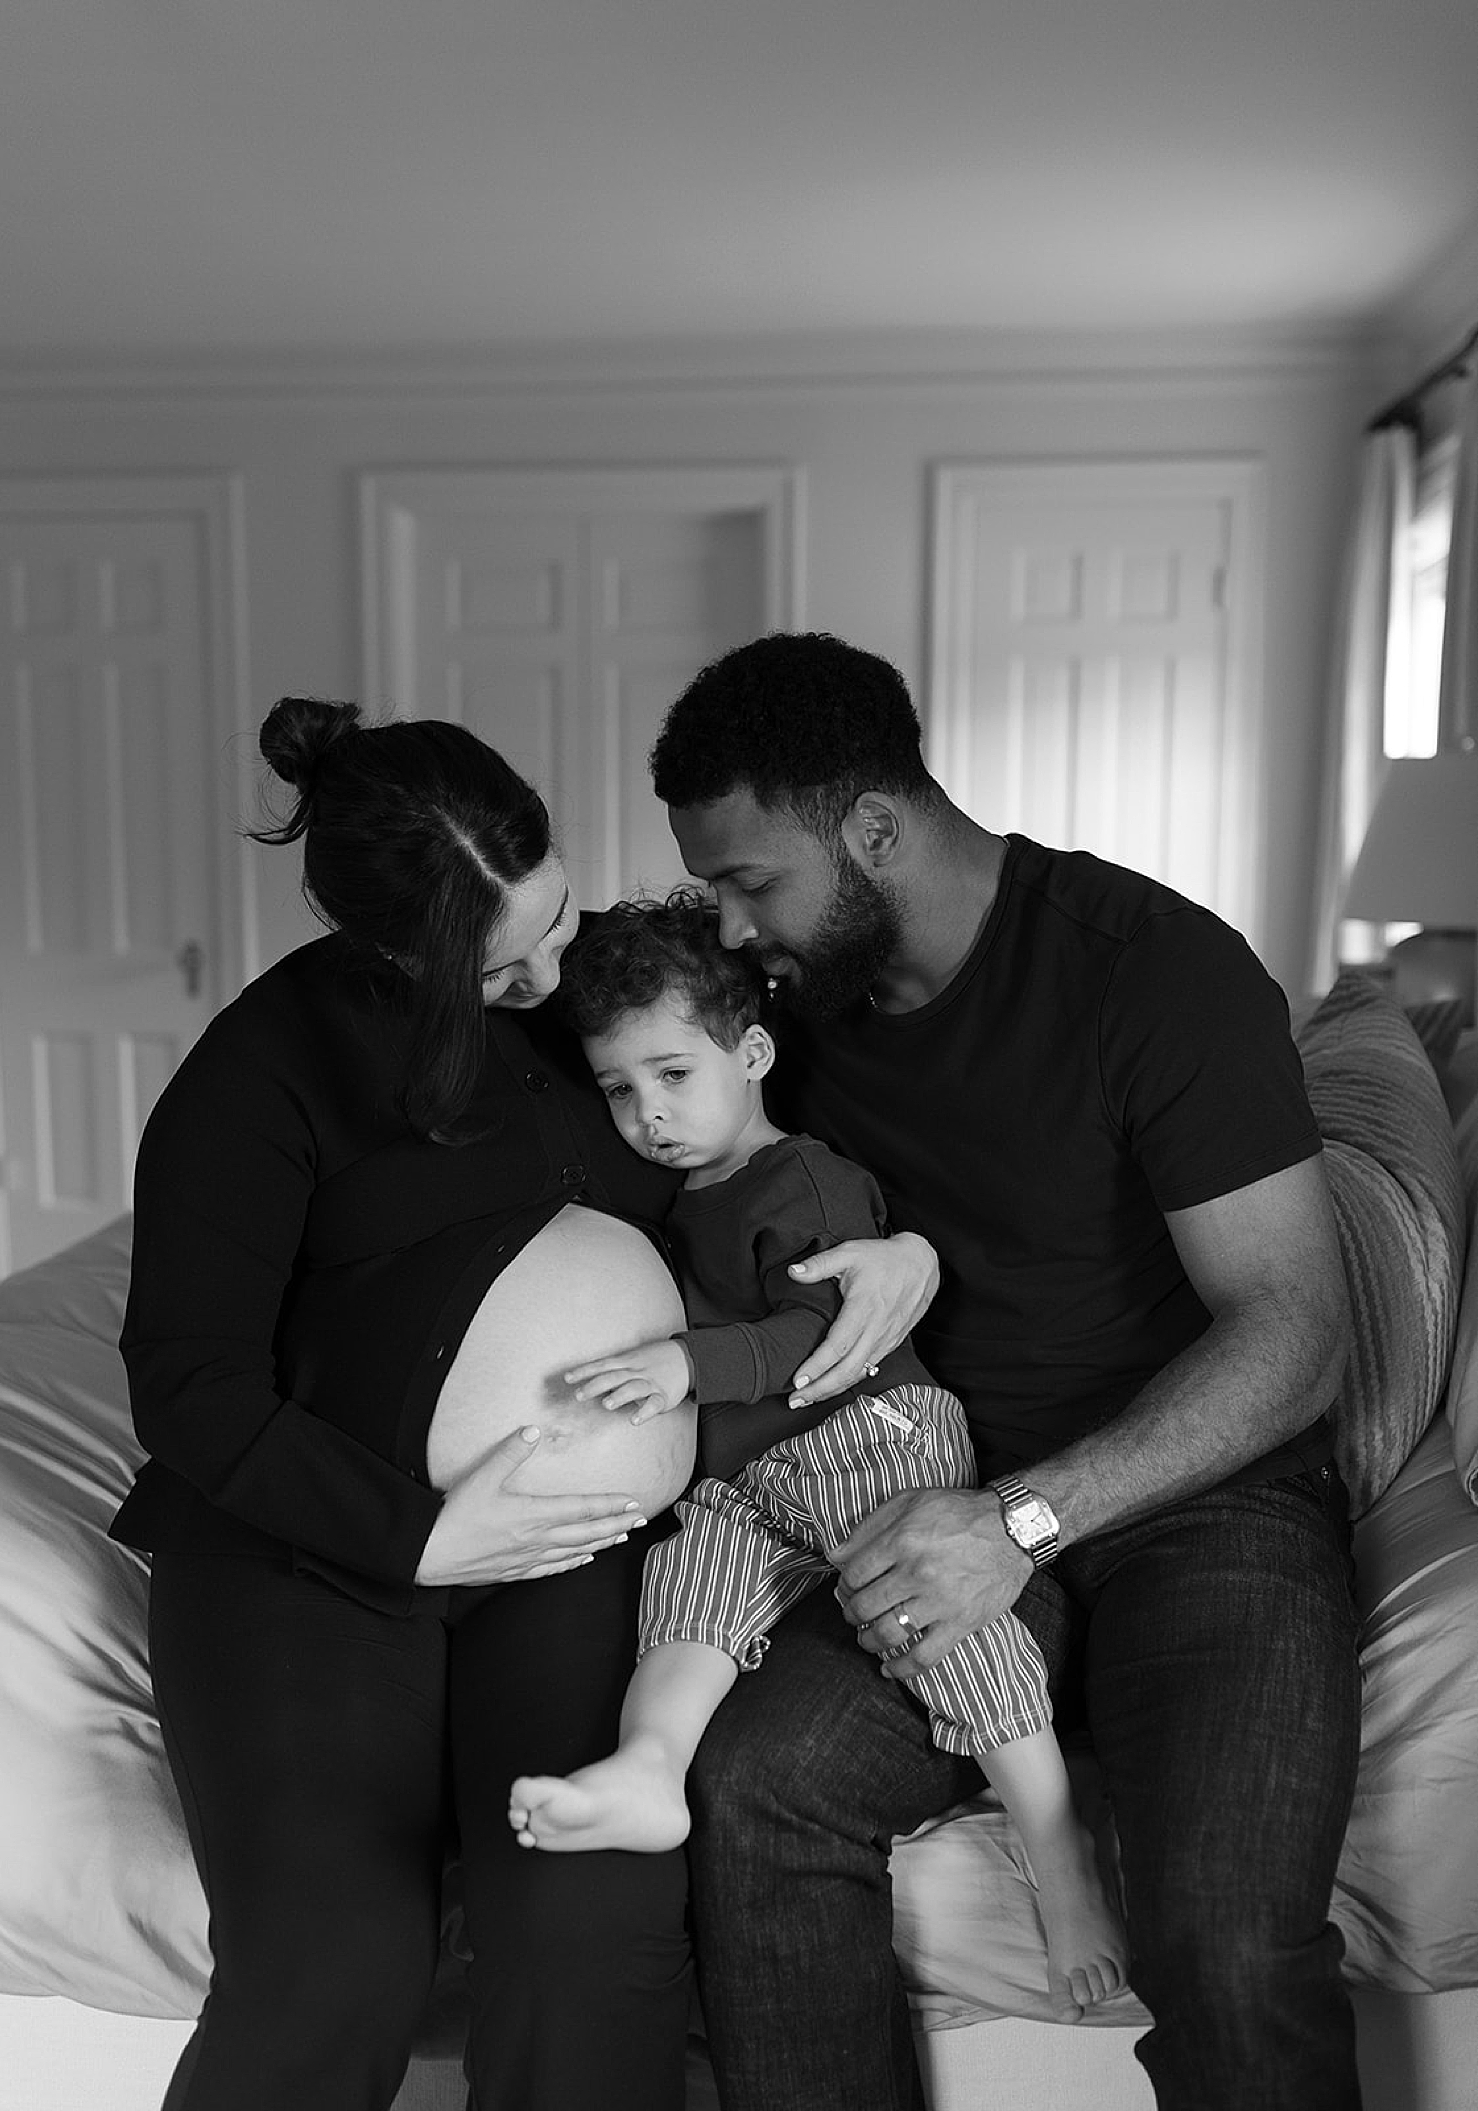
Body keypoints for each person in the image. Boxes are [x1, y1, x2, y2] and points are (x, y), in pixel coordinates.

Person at [648, 633, 1364, 2111]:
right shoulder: (800, 1014)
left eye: (748, 883)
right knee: (756, 1787)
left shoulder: (1150, 970)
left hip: (1203, 1505)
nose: (728, 930)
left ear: (874, 830)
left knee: (1228, 1938)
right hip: (920, 1484)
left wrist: (1020, 1521)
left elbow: (1297, 1330)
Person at [111, 698, 718, 2111]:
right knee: (338, 1958)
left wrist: (898, 1248)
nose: (554, 976)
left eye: (556, 920)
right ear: (388, 944)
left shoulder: (614, 997)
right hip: (314, 1550)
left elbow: (769, 1145)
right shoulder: (259, 1070)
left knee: (585, 1928)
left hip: (562, 1550)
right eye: (502, 967)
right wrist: (416, 1533)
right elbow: (187, 1380)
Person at [505, 892, 1128, 2021]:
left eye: (673, 1074)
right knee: (687, 1588)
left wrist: (688, 1364)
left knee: (936, 1628)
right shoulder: (670, 1202)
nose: (648, 1112)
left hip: (866, 1439)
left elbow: (825, 1333)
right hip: (751, 1480)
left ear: (751, 1052)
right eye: (619, 1088)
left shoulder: (805, 1177)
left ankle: (1060, 1851)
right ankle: (650, 1766)